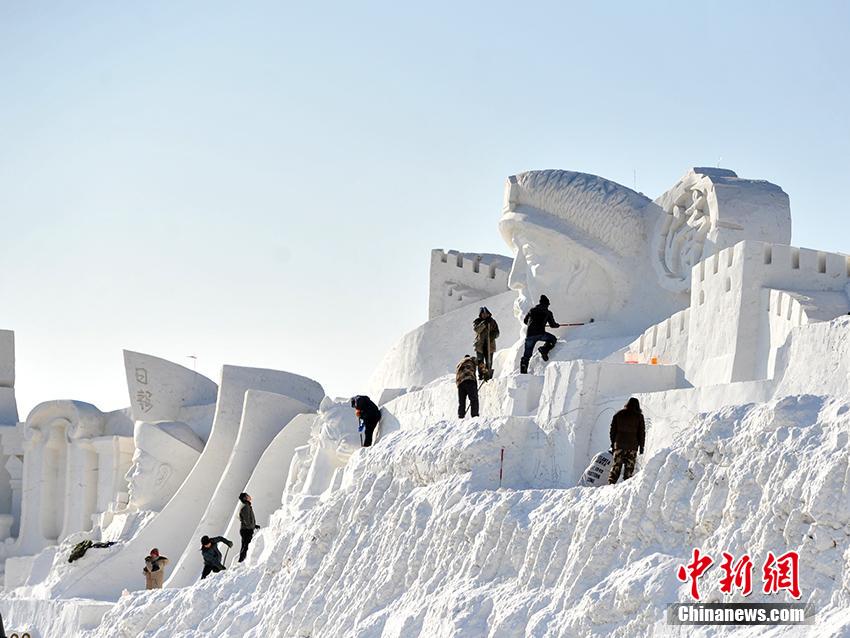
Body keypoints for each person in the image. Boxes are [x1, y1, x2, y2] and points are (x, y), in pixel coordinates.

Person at [608, 397, 646, 484]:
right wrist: (641, 446)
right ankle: (626, 486)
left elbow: (612, 431)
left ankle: (611, 484)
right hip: (632, 447)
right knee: (629, 469)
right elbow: (641, 433)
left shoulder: (618, 414)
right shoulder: (639, 417)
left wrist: (613, 443)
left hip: (619, 445)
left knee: (616, 467)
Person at [520, 294, 561, 374]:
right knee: (552, 339)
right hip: (540, 334)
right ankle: (544, 349)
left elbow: (525, 321)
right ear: (547, 304)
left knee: (527, 355)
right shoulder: (548, 312)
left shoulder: (532, 310)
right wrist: (557, 325)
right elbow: (552, 325)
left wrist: (532, 323)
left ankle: (523, 372)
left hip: (530, 335)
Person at [473, 307, 500, 381]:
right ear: (480, 315)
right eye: (483, 314)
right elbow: (477, 330)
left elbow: (497, 333)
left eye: (486, 314)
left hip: (490, 345)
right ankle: (481, 376)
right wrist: (484, 324)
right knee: (480, 362)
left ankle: (488, 376)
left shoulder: (492, 322)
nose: (485, 315)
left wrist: (493, 335)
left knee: (489, 362)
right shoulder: (477, 321)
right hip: (480, 346)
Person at [238, 492, 260, 563]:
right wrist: (252, 527)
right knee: (246, 546)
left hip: (246, 529)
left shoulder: (247, 506)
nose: (249, 496)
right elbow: (246, 520)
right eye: (247, 496)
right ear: (245, 498)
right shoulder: (246, 507)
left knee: (245, 545)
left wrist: (254, 525)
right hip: (246, 530)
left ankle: (241, 560)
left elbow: (248, 520)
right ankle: (241, 561)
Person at [456, 354, 479, 418]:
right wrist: (485, 373)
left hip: (460, 384)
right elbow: (479, 362)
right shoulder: (471, 359)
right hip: (469, 380)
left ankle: (461, 416)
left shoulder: (459, 364)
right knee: (474, 399)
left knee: (461, 402)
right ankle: (475, 416)